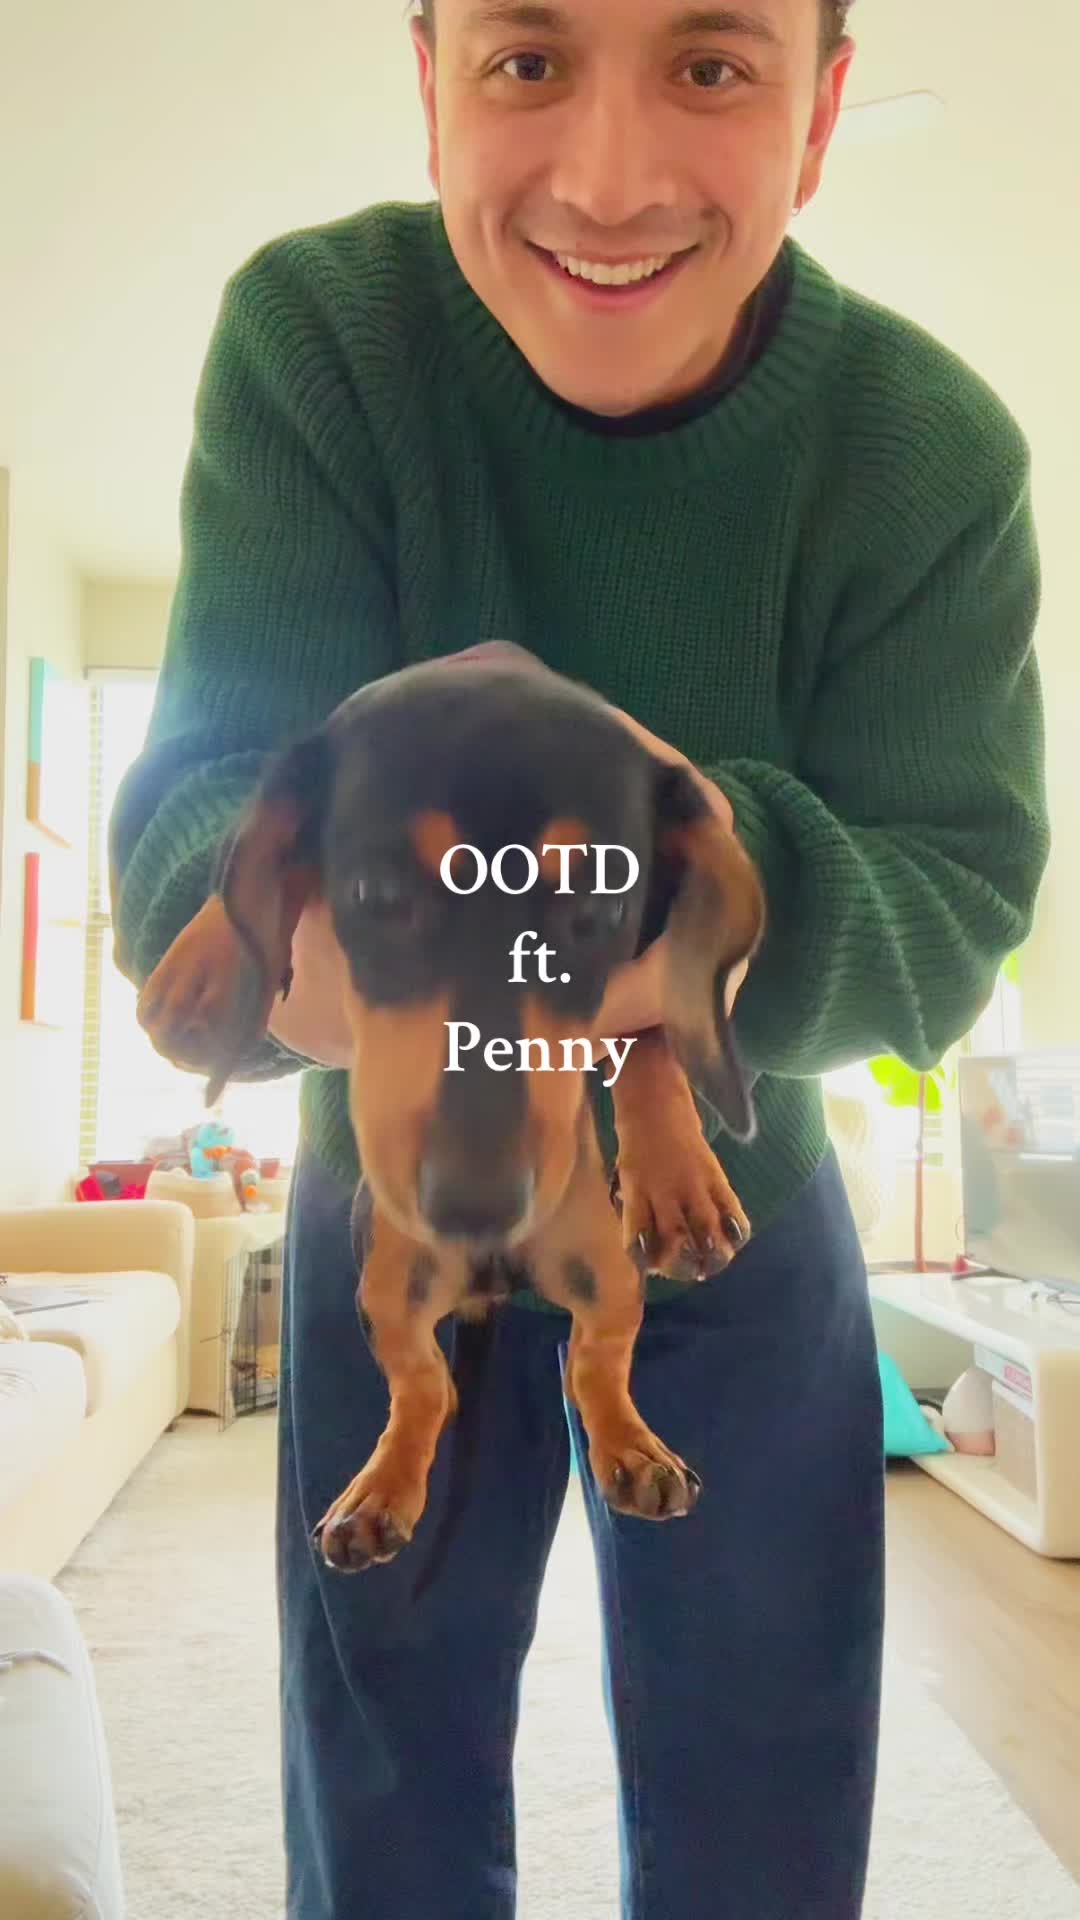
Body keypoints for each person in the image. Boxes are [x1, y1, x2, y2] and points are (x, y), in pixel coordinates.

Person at [108, 0, 1051, 1913]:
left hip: (736, 1186)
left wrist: (587, 889)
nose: (610, 185)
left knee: (762, 1763)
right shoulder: (320, 344)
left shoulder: (930, 450)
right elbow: (195, 835)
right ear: (432, 79)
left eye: (712, 63)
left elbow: (950, 898)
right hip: (386, 1200)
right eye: (528, 58)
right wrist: (605, 907)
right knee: (384, 1762)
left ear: (821, 111)